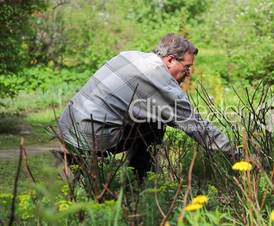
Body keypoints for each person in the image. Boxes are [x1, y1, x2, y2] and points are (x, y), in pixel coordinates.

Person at [57, 33, 237, 181]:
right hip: (91, 137)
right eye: (187, 67)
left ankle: (76, 159)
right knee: (156, 122)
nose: (189, 73)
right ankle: (140, 181)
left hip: (67, 124)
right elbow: (195, 126)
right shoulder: (161, 82)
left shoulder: (130, 55)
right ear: (170, 60)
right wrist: (235, 153)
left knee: (148, 117)